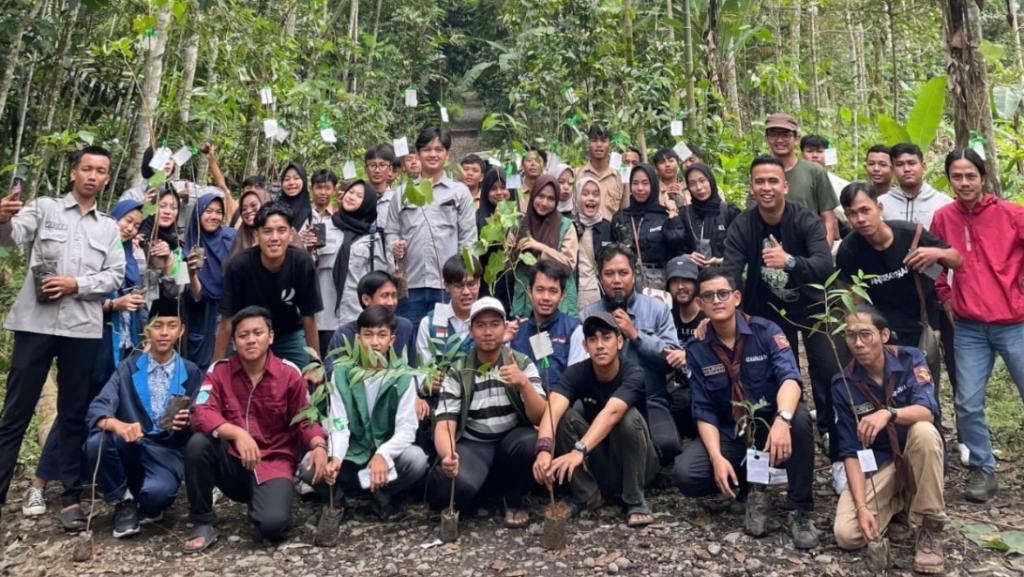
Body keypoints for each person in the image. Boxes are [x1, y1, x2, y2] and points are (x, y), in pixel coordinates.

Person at [0, 146, 125, 530]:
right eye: (86, 168)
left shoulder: (108, 226)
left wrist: (77, 284)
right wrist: (2, 219)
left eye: (100, 170)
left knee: (72, 414)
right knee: (15, 413)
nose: (92, 175)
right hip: (35, 325)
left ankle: (70, 499)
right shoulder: (44, 208)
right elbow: (11, 239)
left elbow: (116, 275)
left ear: (106, 179)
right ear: (74, 173)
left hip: (81, 330)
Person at [721, 154, 845, 490]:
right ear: (751, 187)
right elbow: (731, 269)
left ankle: (837, 446)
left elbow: (824, 264)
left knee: (828, 368)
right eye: (759, 181)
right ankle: (774, 447)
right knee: (768, 375)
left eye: (773, 181)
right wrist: (722, 309)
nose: (766, 187)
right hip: (766, 312)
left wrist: (788, 261)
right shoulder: (744, 225)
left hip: (813, 308)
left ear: (785, 186)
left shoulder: (804, 221)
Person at [674, 267, 818, 549]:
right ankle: (751, 489)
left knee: (799, 418)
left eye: (723, 294)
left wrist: (782, 420)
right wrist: (716, 457)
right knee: (686, 474)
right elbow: (703, 410)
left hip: (770, 430)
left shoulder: (766, 332)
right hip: (733, 434)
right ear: (700, 304)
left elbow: (791, 379)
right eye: (708, 296)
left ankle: (800, 510)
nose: (716, 300)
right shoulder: (697, 349)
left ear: (736, 297)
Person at [184, 306, 329, 552]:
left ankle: (264, 501)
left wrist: (318, 444)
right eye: (243, 335)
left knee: (273, 527)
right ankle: (203, 520)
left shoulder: (289, 373)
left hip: (273, 462)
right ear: (234, 341)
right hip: (232, 462)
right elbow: (201, 412)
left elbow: (305, 418)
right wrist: (237, 433)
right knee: (198, 443)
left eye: (257, 333)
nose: (251, 340)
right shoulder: (219, 371)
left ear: (270, 337)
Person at [931, 149, 1024, 503]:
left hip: (1014, 322)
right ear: (949, 180)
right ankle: (983, 471)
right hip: (969, 326)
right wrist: (945, 295)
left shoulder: (1012, 214)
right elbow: (936, 262)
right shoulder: (943, 217)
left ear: (982, 177)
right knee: (967, 401)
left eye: (971, 175)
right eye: (957, 176)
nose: (965, 183)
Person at [832, 305, 946, 574]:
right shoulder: (843, 383)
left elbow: (928, 411)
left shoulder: (911, 359)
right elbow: (849, 451)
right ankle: (901, 504)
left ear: (884, 335)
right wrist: (861, 506)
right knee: (848, 535)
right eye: (850, 336)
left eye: (865, 334)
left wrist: (889, 414)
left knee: (924, 432)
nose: (858, 343)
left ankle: (930, 526)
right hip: (882, 466)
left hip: (915, 456)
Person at [84, 298, 204, 538]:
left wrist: (187, 423)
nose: (164, 332)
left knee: (156, 498)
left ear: (181, 331)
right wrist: (119, 425)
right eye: (157, 325)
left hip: (165, 452)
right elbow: (97, 409)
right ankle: (123, 500)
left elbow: (201, 416)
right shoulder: (128, 368)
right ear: (147, 330)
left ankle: (145, 498)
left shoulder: (190, 371)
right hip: (131, 445)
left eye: (171, 326)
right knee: (97, 442)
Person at [836, 181, 961, 407]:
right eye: (852, 214)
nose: (860, 219)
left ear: (879, 208)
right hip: (882, 331)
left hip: (920, 325)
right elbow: (851, 297)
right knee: (890, 393)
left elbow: (956, 259)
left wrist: (935, 253)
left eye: (865, 210)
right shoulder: (849, 249)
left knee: (924, 389)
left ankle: (933, 437)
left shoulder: (910, 234)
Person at [424, 298, 546, 528]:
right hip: (474, 444)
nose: (488, 332)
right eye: (480, 325)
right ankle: (481, 492)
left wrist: (524, 384)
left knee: (531, 442)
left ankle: (512, 498)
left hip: (510, 441)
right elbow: (445, 423)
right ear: (471, 330)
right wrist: (448, 453)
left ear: (504, 327)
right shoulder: (459, 370)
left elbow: (540, 417)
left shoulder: (521, 362)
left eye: (494, 324)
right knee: (458, 483)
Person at [532, 311, 658, 527]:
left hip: (638, 462)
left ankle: (635, 499)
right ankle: (588, 494)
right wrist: (543, 449)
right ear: (585, 345)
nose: (600, 345)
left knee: (627, 417)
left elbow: (612, 412)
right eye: (593, 339)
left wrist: (579, 450)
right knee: (564, 417)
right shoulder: (577, 372)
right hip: (601, 459)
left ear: (619, 342)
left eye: (606, 337)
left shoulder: (633, 373)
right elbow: (553, 407)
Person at [310, 306, 429, 519]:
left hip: (385, 454)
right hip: (352, 453)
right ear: (358, 339)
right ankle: (338, 496)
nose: (375, 342)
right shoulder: (341, 372)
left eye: (382, 335)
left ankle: (383, 493)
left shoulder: (402, 375)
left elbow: (407, 428)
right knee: (309, 465)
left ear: (391, 340)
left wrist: (383, 454)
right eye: (368, 335)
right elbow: (338, 422)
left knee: (417, 459)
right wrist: (336, 456)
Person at [581, 246, 681, 465]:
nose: (617, 280)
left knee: (667, 446)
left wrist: (635, 335)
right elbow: (581, 365)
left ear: (634, 274)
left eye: (623, 273)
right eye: (609, 274)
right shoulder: (588, 315)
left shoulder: (657, 309)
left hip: (650, 400)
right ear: (599, 277)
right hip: (602, 402)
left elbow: (671, 360)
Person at [215, 202, 323, 370]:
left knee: (306, 382)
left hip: (288, 334)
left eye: (281, 230)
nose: (274, 238)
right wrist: (216, 366)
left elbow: (309, 317)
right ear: (257, 235)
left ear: (290, 234)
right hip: (248, 333)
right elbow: (227, 318)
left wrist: (315, 362)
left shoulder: (302, 263)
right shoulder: (239, 266)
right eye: (267, 231)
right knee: (228, 378)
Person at [386, 127, 477, 327]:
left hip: (446, 286)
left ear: (447, 154)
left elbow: (468, 239)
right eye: (427, 149)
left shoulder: (459, 192)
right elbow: (391, 230)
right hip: (410, 285)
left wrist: (463, 282)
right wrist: (394, 246)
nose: (433, 154)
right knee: (409, 340)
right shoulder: (402, 192)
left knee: (444, 342)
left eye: (439, 149)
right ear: (417, 154)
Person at [305, 179, 390, 355]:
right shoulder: (322, 227)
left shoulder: (373, 237)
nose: (352, 197)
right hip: (324, 317)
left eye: (359, 196)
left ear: (367, 204)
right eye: (351, 192)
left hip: (357, 316)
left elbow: (380, 279)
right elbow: (308, 268)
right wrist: (307, 248)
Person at [612, 163, 691, 290]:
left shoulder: (663, 214)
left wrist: (673, 217)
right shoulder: (621, 217)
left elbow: (676, 242)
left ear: (653, 185)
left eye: (645, 183)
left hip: (658, 282)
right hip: (627, 282)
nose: (640, 188)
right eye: (635, 183)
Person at [764, 113, 838, 245]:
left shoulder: (815, 172)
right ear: (766, 138)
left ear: (796, 138)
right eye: (774, 134)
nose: (779, 140)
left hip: (809, 248)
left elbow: (828, 218)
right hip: (771, 250)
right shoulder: (762, 172)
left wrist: (823, 254)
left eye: (786, 135)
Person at [509, 175, 579, 317]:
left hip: (558, 303)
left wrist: (539, 247)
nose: (544, 202)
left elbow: (569, 264)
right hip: (525, 301)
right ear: (533, 195)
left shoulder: (566, 226)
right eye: (540, 196)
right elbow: (509, 268)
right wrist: (512, 249)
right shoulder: (519, 225)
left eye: (551, 199)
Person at [509, 260, 583, 390]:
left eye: (553, 291)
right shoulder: (515, 331)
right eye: (540, 290)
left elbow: (575, 383)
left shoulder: (574, 330)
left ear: (563, 295)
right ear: (529, 292)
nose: (546, 297)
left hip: (559, 405)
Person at [183, 193, 237, 370]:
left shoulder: (230, 238)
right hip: (200, 317)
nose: (214, 217)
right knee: (199, 370)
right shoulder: (189, 245)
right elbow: (196, 296)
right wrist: (191, 273)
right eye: (208, 211)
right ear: (198, 213)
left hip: (229, 312)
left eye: (218, 212)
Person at [415, 254, 481, 377]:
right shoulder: (430, 322)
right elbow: (423, 373)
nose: (466, 292)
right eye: (459, 286)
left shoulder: (491, 318)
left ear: (479, 283)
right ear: (446, 286)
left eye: (471, 284)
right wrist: (429, 383)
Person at [664, 257, 703, 439]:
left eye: (686, 280)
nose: (680, 286)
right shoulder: (667, 318)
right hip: (676, 384)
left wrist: (689, 355)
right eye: (674, 282)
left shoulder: (708, 317)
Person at [680, 163, 740, 268]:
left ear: (711, 181)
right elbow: (674, 250)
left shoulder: (729, 211)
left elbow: (741, 248)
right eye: (692, 184)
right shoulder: (684, 214)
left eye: (702, 181)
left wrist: (721, 260)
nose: (699, 187)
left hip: (724, 278)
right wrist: (687, 257)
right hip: (693, 278)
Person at [879, 144, 952, 229]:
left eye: (912, 163)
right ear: (893, 169)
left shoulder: (944, 203)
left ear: (923, 166)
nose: (906, 169)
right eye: (899, 164)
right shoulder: (881, 204)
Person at [475, 168, 516, 310]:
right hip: (489, 284)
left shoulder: (520, 216)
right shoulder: (477, 218)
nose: (499, 193)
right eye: (493, 189)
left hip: (516, 284)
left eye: (503, 187)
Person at [575, 177, 614, 310]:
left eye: (596, 194)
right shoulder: (569, 225)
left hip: (601, 293)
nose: (591, 198)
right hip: (574, 293)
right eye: (585, 194)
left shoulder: (607, 226)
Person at [577, 124, 623, 220]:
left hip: (611, 233)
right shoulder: (577, 174)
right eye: (594, 140)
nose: (599, 145)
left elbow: (624, 210)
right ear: (588, 144)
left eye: (603, 141)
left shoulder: (619, 177)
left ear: (610, 144)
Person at [228, 186, 272, 261]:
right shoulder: (239, 238)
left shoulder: (283, 232)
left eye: (254, 205)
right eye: (244, 209)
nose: (248, 211)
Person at [365, 144, 398, 230]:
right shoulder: (357, 198)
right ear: (365, 169)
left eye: (382, 165)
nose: (377, 170)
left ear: (390, 169)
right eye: (372, 165)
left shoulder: (397, 199)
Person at [279, 162, 312, 233]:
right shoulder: (274, 210)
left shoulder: (313, 213)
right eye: (287, 179)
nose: (291, 183)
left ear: (304, 181)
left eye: (296, 178)